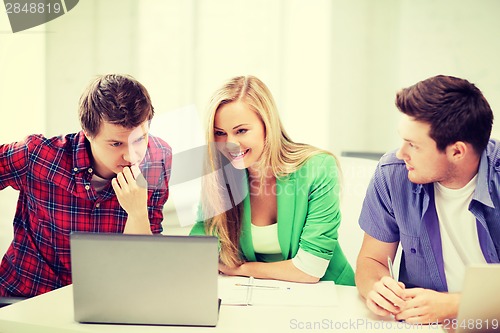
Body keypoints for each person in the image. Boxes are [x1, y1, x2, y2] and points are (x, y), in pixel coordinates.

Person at [0, 74, 172, 297]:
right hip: (23, 297)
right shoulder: (38, 155)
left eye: (139, 139)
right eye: (116, 143)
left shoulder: (158, 158)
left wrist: (137, 213)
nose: (131, 155)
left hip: (104, 303)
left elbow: (141, 268)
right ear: (88, 133)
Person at [356, 75, 500, 324]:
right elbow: (372, 260)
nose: (402, 153)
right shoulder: (393, 174)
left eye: (413, 145)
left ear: (457, 151)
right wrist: (377, 287)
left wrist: (456, 305)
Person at [190, 75, 354, 285]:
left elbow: (310, 269)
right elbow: (199, 250)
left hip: (330, 294)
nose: (229, 144)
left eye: (241, 130)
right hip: (259, 296)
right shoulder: (219, 175)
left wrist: (240, 269)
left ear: (267, 125)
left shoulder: (318, 168)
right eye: (220, 133)